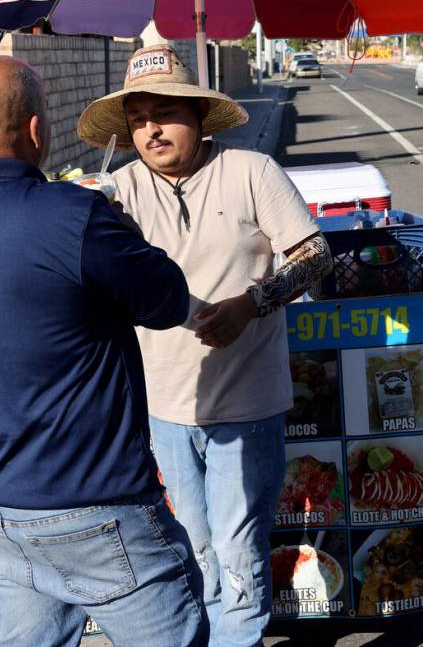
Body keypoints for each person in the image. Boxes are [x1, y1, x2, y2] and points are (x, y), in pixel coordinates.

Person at [0, 57, 208, 647]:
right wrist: (120, 228)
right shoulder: (77, 216)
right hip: (97, 505)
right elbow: (166, 301)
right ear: (36, 131)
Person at [77, 45, 332, 647]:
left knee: (238, 545)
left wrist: (251, 305)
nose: (150, 130)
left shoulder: (252, 172)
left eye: (164, 113)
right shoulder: (118, 192)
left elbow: (315, 256)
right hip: (164, 407)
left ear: (197, 114)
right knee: (192, 543)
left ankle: (237, 637)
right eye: (137, 119)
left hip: (247, 404)